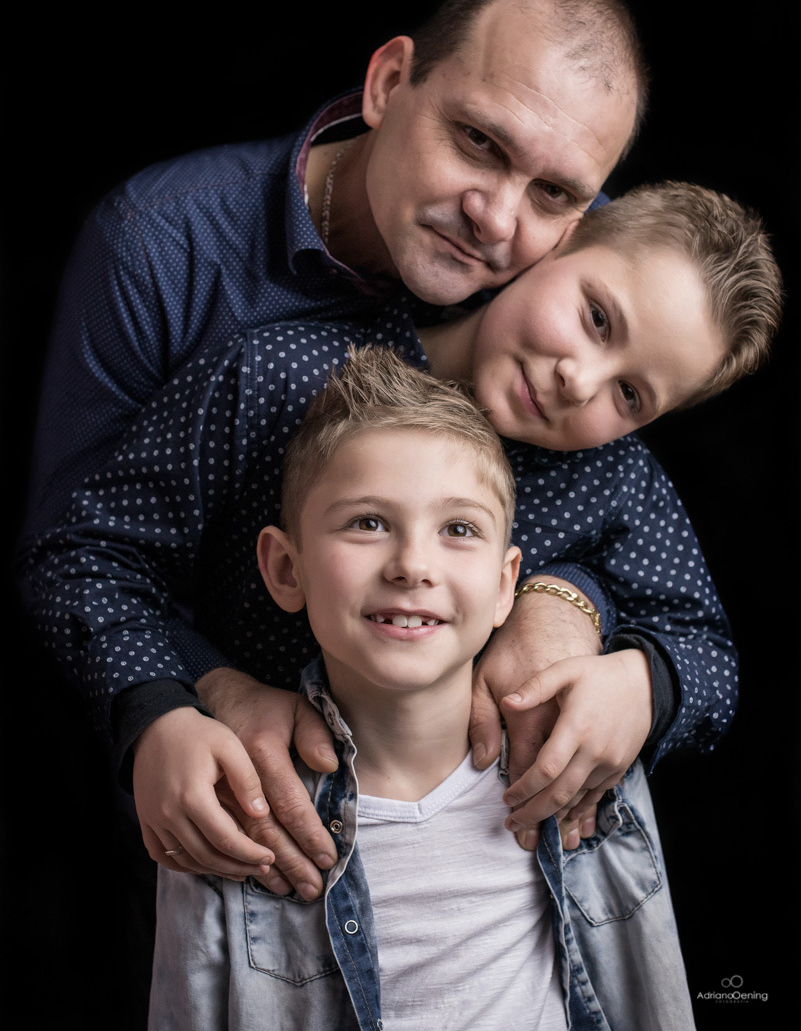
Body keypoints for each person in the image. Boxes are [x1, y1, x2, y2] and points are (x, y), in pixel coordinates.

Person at [19, 0, 650, 888]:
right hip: (218, 830)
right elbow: (78, 552)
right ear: (388, 83)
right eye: (477, 141)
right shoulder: (159, 243)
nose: (495, 218)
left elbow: (632, 527)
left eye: (554, 192)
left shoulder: (565, 284)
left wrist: (576, 610)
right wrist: (189, 690)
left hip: (472, 844)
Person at [21, 181, 781, 910]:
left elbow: (706, 654)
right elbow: (87, 553)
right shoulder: (276, 376)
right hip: (235, 846)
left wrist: (640, 682)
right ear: (559, 241)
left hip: (480, 884)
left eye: (630, 395)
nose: (579, 382)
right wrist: (169, 699)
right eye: (596, 318)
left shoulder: (612, 478)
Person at [148, 345, 699, 1031]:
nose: (412, 564)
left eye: (458, 529)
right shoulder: (228, 806)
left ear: (505, 585)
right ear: (286, 569)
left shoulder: (583, 757)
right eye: (368, 523)